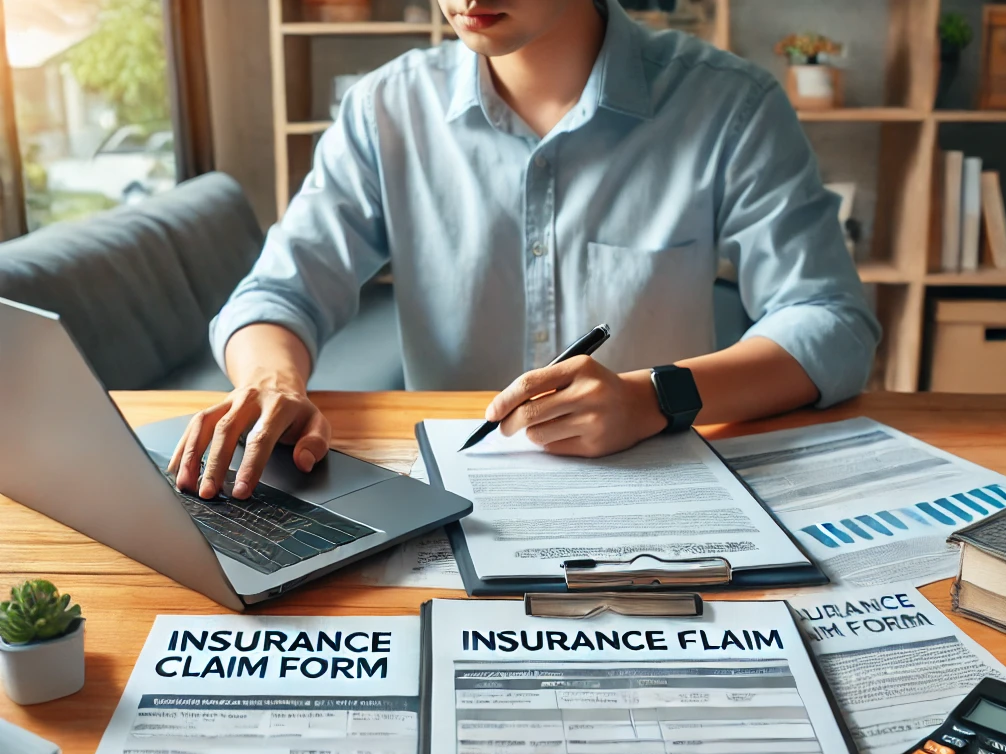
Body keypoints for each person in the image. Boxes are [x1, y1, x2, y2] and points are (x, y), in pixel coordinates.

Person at [170, 0, 880, 501]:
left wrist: (651, 398)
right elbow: (278, 294)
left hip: (661, 488)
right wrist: (273, 382)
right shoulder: (386, 109)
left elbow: (830, 322)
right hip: (450, 497)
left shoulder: (729, 104)